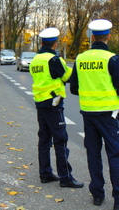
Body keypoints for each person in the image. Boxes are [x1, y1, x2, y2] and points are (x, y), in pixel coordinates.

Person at [70, 19, 119, 210]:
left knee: (93, 154)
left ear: (92, 37)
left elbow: (74, 89)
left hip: (88, 114)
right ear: (108, 36)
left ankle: (97, 195)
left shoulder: (80, 58)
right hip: (108, 116)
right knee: (115, 156)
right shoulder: (112, 59)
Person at [29, 27, 84, 188]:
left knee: (44, 139)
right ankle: (66, 177)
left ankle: (45, 174)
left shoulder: (36, 59)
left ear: (41, 43)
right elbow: (67, 76)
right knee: (61, 140)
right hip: (54, 103)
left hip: (40, 102)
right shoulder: (54, 60)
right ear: (56, 43)